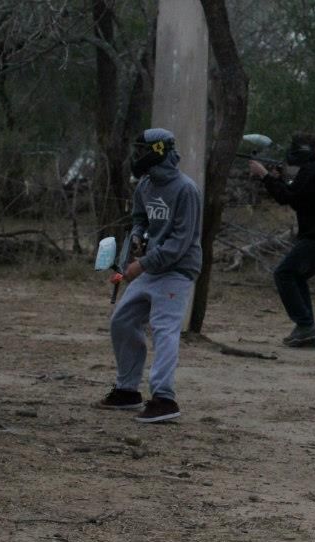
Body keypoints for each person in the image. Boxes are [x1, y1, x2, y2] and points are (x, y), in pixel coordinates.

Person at [96, 128, 202, 422]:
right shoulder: (145, 185)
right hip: (150, 267)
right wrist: (131, 251)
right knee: (123, 320)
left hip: (177, 270)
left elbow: (180, 243)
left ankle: (164, 399)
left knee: (164, 329)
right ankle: (128, 390)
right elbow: (139, 222)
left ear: (158, 151)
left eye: (141, 149)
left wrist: (140, 265)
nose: (136, 156)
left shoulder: (186, 190)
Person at [250, 133, 315, 348]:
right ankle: (307, 329)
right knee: (296, 276)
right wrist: (275, 179)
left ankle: (306, 326)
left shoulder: (314, 171)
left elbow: (288, 197)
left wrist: (264, 175)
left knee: (284, 274)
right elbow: (294, 196)